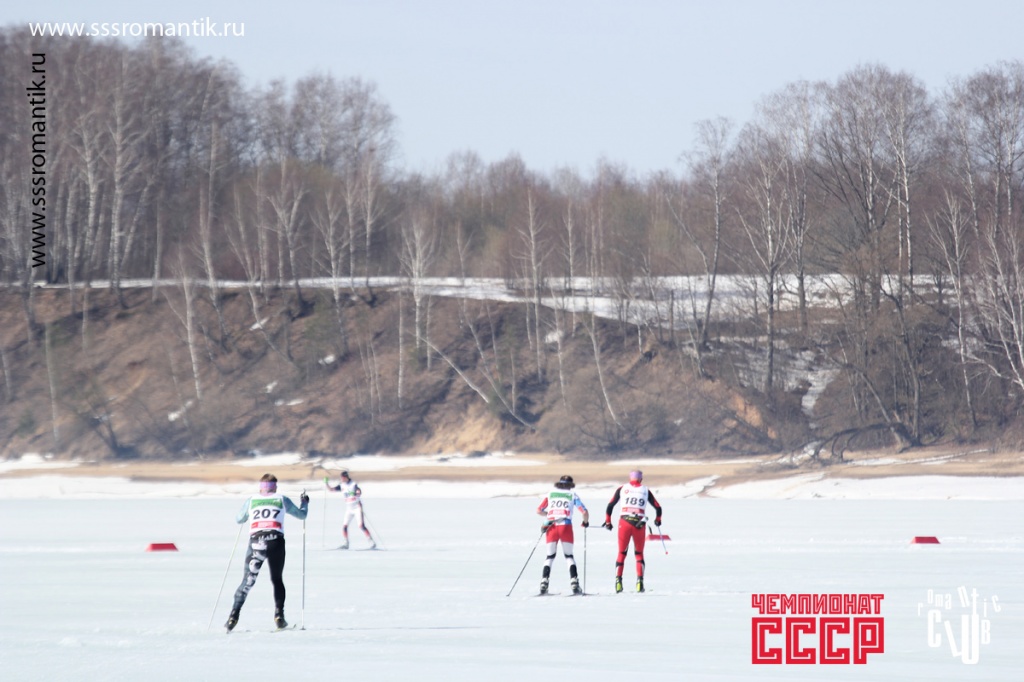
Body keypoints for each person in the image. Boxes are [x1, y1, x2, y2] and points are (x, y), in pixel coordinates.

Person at [225, 473, 308, 631]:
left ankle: (233, 616)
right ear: (275, 487)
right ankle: (279, 616)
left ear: (260, 487)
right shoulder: (282, 499)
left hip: (256, 542)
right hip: (276, 542)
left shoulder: (252, 500)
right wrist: (304, 503)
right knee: (277, 579)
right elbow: (302, 515)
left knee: (247, 581)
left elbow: (239, 519)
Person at [602, 470, 662, 593]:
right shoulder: (645, 490)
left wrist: (608, 522)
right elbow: (658, 507)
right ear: (641, 479)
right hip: (639, 523)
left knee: (621, 553)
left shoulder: (622, 488)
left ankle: (618, 582)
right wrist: (657, 520)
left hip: (624, 522)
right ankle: (640, 582)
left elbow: (610, 505)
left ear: (630, 478)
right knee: (639, 554)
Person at [536, 475, 589, 595]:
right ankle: (574, 583)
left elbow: (539, 510)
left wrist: (550, 514)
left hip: (550, 525)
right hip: (565, 526)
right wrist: (585, 523)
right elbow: (584, 512)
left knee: (550, 556)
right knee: (569, 556)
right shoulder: (572, 495)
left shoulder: (550, 493)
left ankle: (544, 582)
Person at [324, 470, 375, 549]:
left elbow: (359, 492)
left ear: (346, 477)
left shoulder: (353, 484)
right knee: (345, 526)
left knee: (361, 526)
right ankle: (346, 543)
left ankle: (371, 542)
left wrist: (355, 493)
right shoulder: (342, 485)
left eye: (342, 478)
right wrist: (326, 483)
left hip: (357, 507)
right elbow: (331, 489)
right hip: (349, 509)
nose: (341, 479)